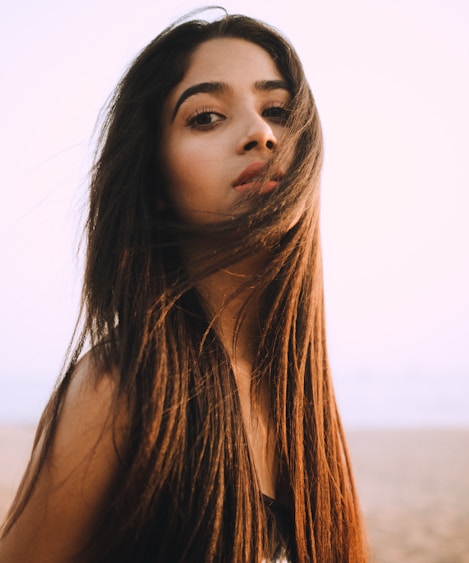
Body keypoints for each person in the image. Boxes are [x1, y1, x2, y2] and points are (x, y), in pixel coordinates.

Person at [0, 10, 367, 562]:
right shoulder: (122, 387)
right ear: (154, 182)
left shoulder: (301, 399)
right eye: (207, 117)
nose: (261, 134)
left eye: (276, 110)